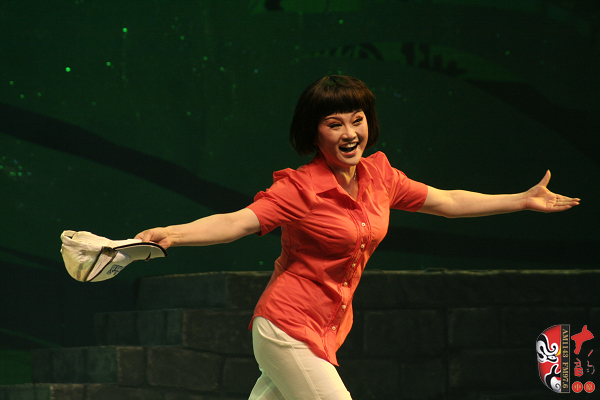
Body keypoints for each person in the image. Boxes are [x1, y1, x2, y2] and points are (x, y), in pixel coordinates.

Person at [135, 75, 579, 400]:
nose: (350, 134)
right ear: (314, 132)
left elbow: (447, 201)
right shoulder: (299, 188)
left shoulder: (380, 176)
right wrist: (172, 234)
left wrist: (521, 200)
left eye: (357, 120)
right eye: (335, 124)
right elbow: (237, 223)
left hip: (326, 331)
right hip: (287, 326)